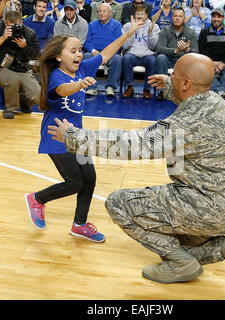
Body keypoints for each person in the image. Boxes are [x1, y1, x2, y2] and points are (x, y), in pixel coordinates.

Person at [47, 52, 225, 290]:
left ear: (186, 83)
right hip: (224, 208)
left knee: (118, 203)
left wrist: (74, 137)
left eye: (175, 76)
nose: (170, 77)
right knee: (175, 239)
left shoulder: (185, 125)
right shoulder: (216, 102)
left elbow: (132, 144)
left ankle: (181, 263)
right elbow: (192, 95)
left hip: (202, 207)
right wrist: (171, 87)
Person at [24, 17, 144, 242]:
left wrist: (127, 35)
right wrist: (79, 85)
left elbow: (106, 54)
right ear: (59, 56)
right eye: (73, 51)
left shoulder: (83, 67)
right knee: (75, 182)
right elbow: (61, 90)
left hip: (77, 136)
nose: (79, 55)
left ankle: (79, 225)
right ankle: (37, 199)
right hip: (56, 136)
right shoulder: (57, 77)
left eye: (80, 50)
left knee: (89, 178)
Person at [0, 10, 41, 119]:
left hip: (22, 68)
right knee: (13, 80)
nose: (15, 28)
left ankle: (22, 101)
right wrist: (3, 37)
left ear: (22, 23)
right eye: (11, 26)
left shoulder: (29, 33)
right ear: (5, 23)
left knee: (37, 94)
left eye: (17, 26)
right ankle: (10, 107)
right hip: (1, 67)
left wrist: (25, 46)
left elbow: (36, 55)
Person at [156, 6, 198, 101]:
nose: (177, 18)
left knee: (191, 61)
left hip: (184, 61)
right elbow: (159, 48)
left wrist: (187, 50)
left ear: (184, 18)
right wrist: (175, 50)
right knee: (161, 58)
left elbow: (196, 51)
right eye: (175, 16)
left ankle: (187, 93)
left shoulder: (190, 32)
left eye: (180, 16)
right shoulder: (165, 30)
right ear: (172, 17)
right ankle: (162, 91)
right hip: (169, 59)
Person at [83, 3, 122, 96]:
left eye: (104, 11)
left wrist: (107, 54)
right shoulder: (92, 25)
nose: (101, 13)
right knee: (86, 56)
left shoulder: (117, 25)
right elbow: (86, 42)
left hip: (110, 54)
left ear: (110, 13)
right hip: (95, 53)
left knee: (117, 58)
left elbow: (118, 43)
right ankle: (91, 86)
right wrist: (92, 50)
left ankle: (110, 87)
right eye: (100, 11)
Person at [121, 4, 160, 99]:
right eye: (137, 14)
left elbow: (154, 47)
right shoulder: (127, 26)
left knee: (153, 60)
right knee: (126, 58)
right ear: (134, 15)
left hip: (148, 54)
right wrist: (132, 31)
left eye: (142, 14)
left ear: (146, 16)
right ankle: (129, 87)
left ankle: (147, 89)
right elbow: (125, 46)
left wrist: (150, 33)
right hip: (132, 54)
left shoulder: (154, 26)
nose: (139, 16)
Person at [198, 7, 225, 100]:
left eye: (219, 17)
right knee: (208, 73)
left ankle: (218, 95)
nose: (216, 19)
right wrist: (211, 62)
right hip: (209, 62)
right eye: (214, 16)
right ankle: (221, 93)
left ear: (223, 18)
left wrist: (223, 64)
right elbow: (202, 50)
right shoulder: (205, 32)